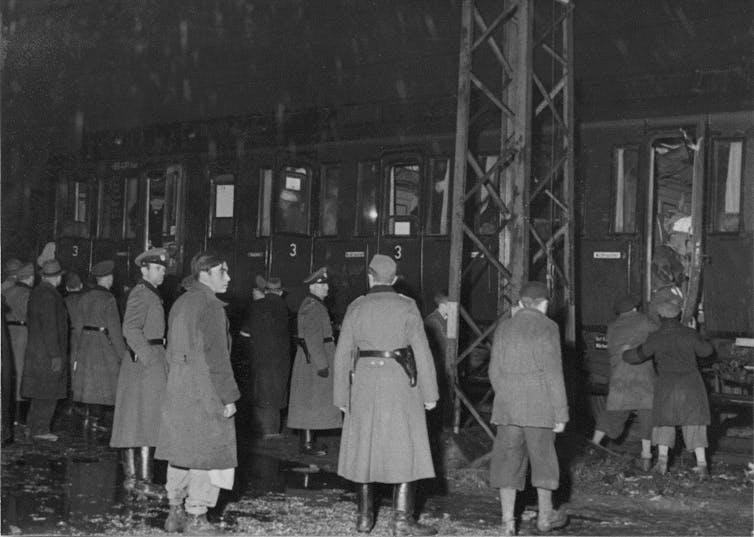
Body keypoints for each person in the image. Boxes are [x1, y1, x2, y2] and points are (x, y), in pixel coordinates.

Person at [334, 254, 439, 536]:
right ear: (394, 280)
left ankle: (364, 518)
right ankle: (402, 521)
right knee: (405, 447)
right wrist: (430, 392)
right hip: (399, 382)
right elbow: (422, 352)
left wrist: (341, 396)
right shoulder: (407, 306)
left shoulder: (356, 307)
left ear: (369, 276)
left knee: (363, 449)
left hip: (365, 381)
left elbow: (343, 353)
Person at [156, 251, 240, 534]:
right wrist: (228, 397)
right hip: (205, 389)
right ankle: (197, 517)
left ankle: (174, 511)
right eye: (222, 272)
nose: (228, 277)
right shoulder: (211, 306)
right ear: (205, 273)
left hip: (179, 388)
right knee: (207, 451)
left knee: (181, 450)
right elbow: (218, 358)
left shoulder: (180, 302)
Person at [488, 281, 568, 536]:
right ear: (544, 304)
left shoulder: (505, 327)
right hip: (540, 408)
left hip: (508, 409)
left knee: (507, 464)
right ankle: (545, 518)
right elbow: (554, 373)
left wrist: (507, 394)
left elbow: (493, 371)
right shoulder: (549, 327)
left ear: (522, 302)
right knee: (544, 461)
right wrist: (561, 412)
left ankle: (507, 523)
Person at [623, 300, 715, 480]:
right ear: (679, 315)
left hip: (667, 385)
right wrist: (697, 333)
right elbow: (706, 352)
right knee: (694, 423)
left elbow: (637, 356)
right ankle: (702, 466)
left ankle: (662, 463)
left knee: (664, 422)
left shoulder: (655, 336)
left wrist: (624, 352)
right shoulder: (689, 333)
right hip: (691, 385)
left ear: (660, 316)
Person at [110, 248, 170, 500]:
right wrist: (147, 357)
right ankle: (143, 480)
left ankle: (133, 479)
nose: (162, 272)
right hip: (144, 363)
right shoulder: (142, 293)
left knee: (137, 419)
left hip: (147, 360)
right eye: (157, 268)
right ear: (144, 270)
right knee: (145, 418)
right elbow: (130, 328)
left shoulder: (150, 294)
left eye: (164, 269)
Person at [591, 295, 658, 470]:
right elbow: (660, 334)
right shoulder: (644, 321)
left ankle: (593, 446)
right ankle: (646, 456)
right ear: (635, 308)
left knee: (612, 413)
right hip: (642, 375)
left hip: (619, 376)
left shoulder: (612, 327)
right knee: (647, 415)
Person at [287, 267, 342, 456]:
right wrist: (322, 364)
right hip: (314, 362)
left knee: (310, 401)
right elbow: (312, 338)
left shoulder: (315, 305)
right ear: (314, 287)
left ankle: (309, 442)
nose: (327, 288)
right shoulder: (312, 307)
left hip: (313, 359)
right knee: (310, 401)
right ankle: (308, 445)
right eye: (323, 284)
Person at [71, 260, 127, 431]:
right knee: (105, 383)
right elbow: (115, 330)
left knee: (90, 382)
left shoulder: (84, 297)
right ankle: (99, 420)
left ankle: (91, 416)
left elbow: (77, 326)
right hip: (103, 344)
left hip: (86, 343)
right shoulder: (109, 299)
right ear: (109, 278)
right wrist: (122, 354)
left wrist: (78, 349)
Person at [20, 259, 68, 442]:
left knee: (39, 392)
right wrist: (55, 355)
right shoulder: (50, 296)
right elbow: (50, 327)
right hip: (48, 354)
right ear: (57, 277)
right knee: (49, 393)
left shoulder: (37, 293)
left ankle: (31, 427)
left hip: (37, 352)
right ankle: (40, 429)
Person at [239, 275, 291, 438]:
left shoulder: (257, 306)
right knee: (275, 396)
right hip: (280, 360)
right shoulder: (284, 307)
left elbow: (244, 333)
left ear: (265, 291)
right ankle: (272, 431)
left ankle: (263, 431)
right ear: (281, 292)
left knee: (260, 394)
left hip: (260, 358)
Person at [4, 262, 34, 425]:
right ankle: (19, 416)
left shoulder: (7, 291)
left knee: (9, 371)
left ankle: (8, 412)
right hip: (23, 334)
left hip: (7, 333)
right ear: (30, 278)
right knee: (22, 372)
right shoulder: (29, 294)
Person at [423, 290, 452, 427]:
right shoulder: (433, 321)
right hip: (438, 367)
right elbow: (445, 344)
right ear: (444, 305)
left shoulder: (442, 320)